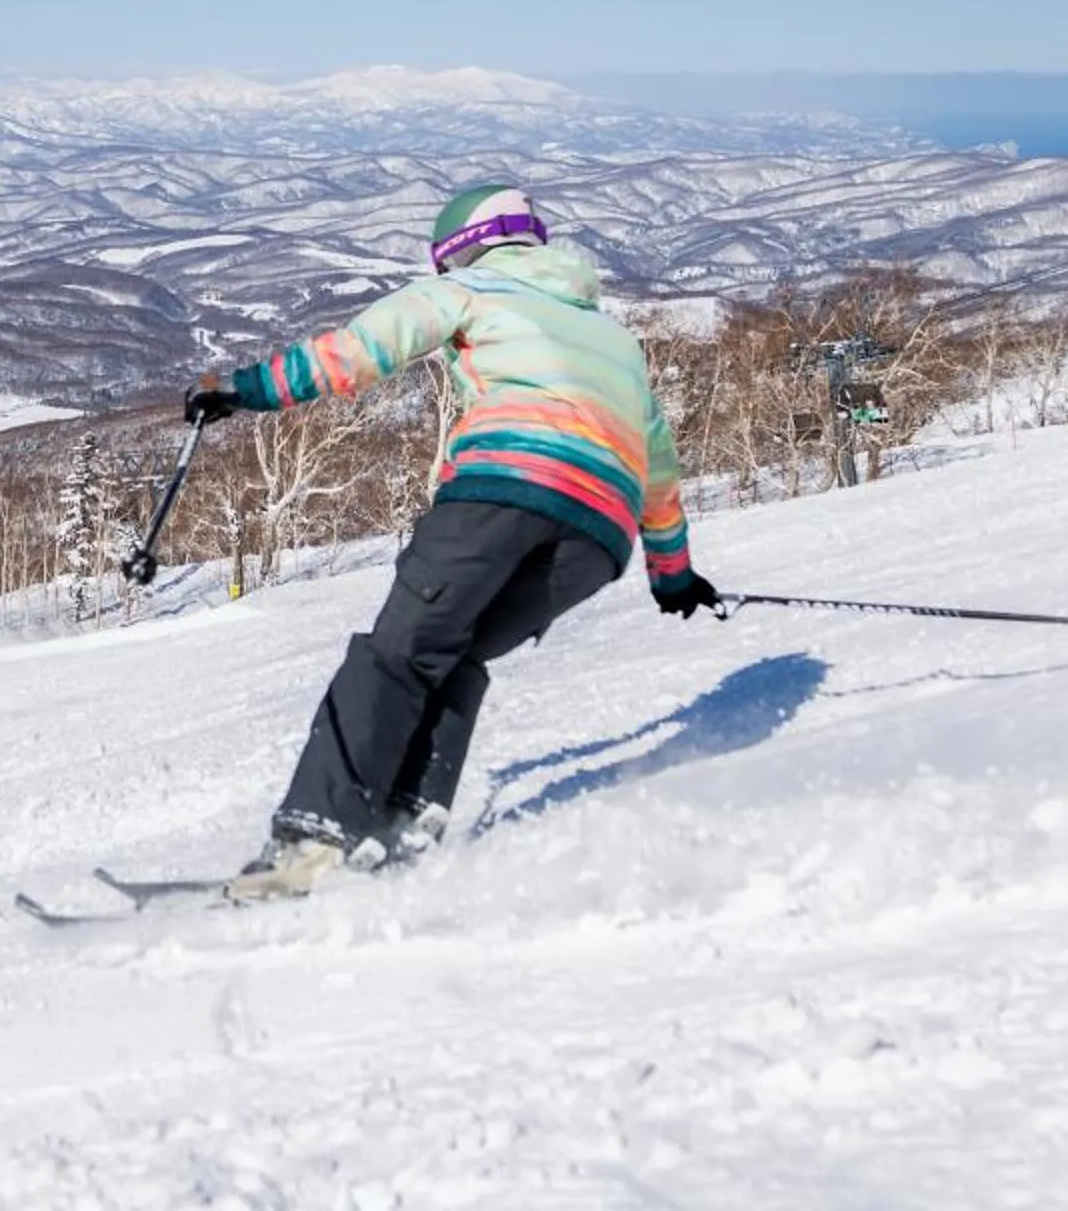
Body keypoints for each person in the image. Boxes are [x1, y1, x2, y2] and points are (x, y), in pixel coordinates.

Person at [188, 184, 715, 902]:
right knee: (453, 651)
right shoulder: (616, 340)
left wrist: (244, 390)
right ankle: (403, 826)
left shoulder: (471, 290)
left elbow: (359, 351)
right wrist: (673, 574)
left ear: (461, 248)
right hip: (597, 539)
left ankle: (310, 842)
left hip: (501, 492)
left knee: (400, 653)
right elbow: (658, 465)